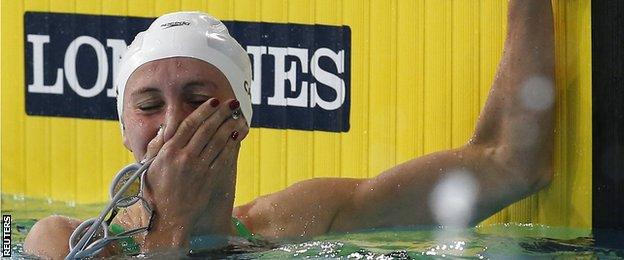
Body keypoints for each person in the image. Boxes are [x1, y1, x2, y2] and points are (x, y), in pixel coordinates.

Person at [24, 0, 555, 258]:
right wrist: (171, 230)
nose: (174, 122)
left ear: (239, 119)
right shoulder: (60, 242)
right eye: (148, 104)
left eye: (197, 99)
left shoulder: (300, 221)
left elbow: (510, 162)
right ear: (123, 128)